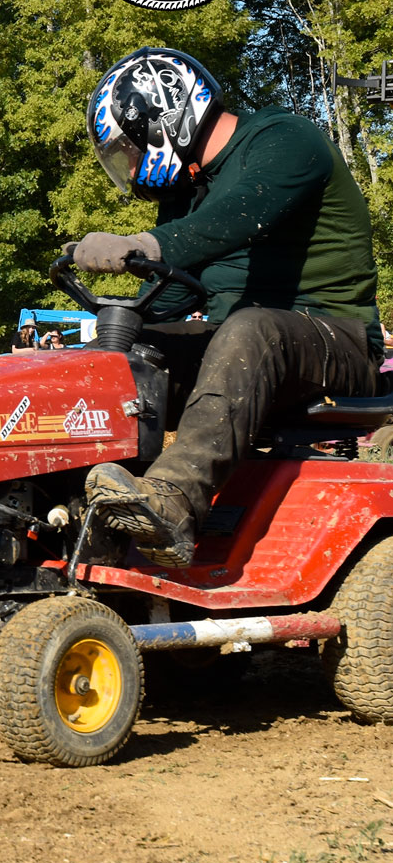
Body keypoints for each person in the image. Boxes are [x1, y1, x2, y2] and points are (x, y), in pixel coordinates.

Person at [74, 46, 379, 567]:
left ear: (162, 119)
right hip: (243, 348)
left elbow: (241, 215)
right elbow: (171, 295)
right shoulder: (188, 189)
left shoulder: (285, 140)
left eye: (130, 149)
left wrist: (144, 243)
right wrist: (113, 336)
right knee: (125, 358)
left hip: (338, 342)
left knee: (249, 328)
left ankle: (172, 500)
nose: (130, 166)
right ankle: (73, 509)